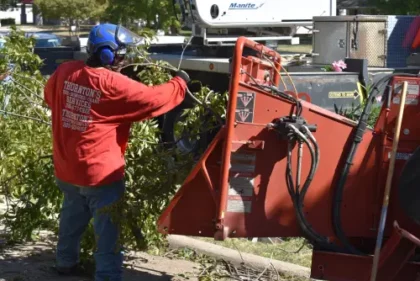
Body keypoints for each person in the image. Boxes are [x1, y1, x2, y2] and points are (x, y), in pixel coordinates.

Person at [43, 23, 191, 281]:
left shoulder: (64, 71)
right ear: (108, 54)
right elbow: (153, 98)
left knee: (71, 219)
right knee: (108, 231)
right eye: (121, 53)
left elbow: (49, 97)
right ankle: (107, 276)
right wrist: (180, 82)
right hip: (100, 175)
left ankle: (65, 263)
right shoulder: (114, 83)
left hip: (66, 168)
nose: (125, 59)